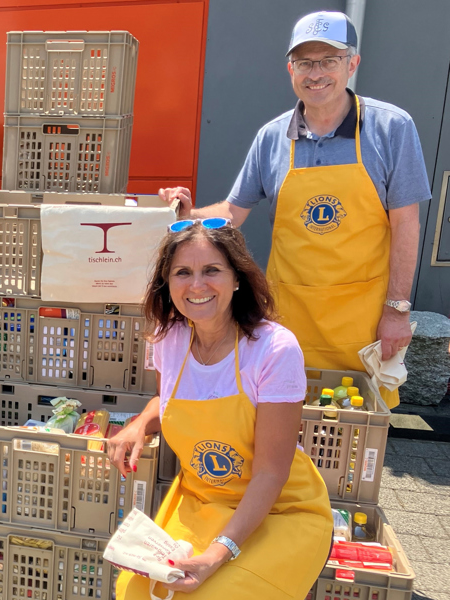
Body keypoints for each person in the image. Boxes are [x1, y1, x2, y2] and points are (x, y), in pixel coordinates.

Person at [161, 11, 427, 409]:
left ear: (352, 64)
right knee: (281, 427)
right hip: (288, 317)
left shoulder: (391, 128)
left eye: (329, 60)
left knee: (354, 430)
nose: (315, 73)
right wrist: (188, 213)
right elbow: (233, 212)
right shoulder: (272, 137)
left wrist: (397, 311)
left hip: (361, 317)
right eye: (305, 62)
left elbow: (407, 224)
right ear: (291, 69)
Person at [108, 218, 332, 599]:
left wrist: (217, 553)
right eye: (183, 272)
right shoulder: (169, 339)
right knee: (134, 589)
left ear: (237, 278)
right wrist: (140, 424)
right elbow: (174, 397)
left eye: (212, 270)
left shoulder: (274, 349)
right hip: (201, 499)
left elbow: (270, 473)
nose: (197, 285)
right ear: (168, 283)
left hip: (280, 510)